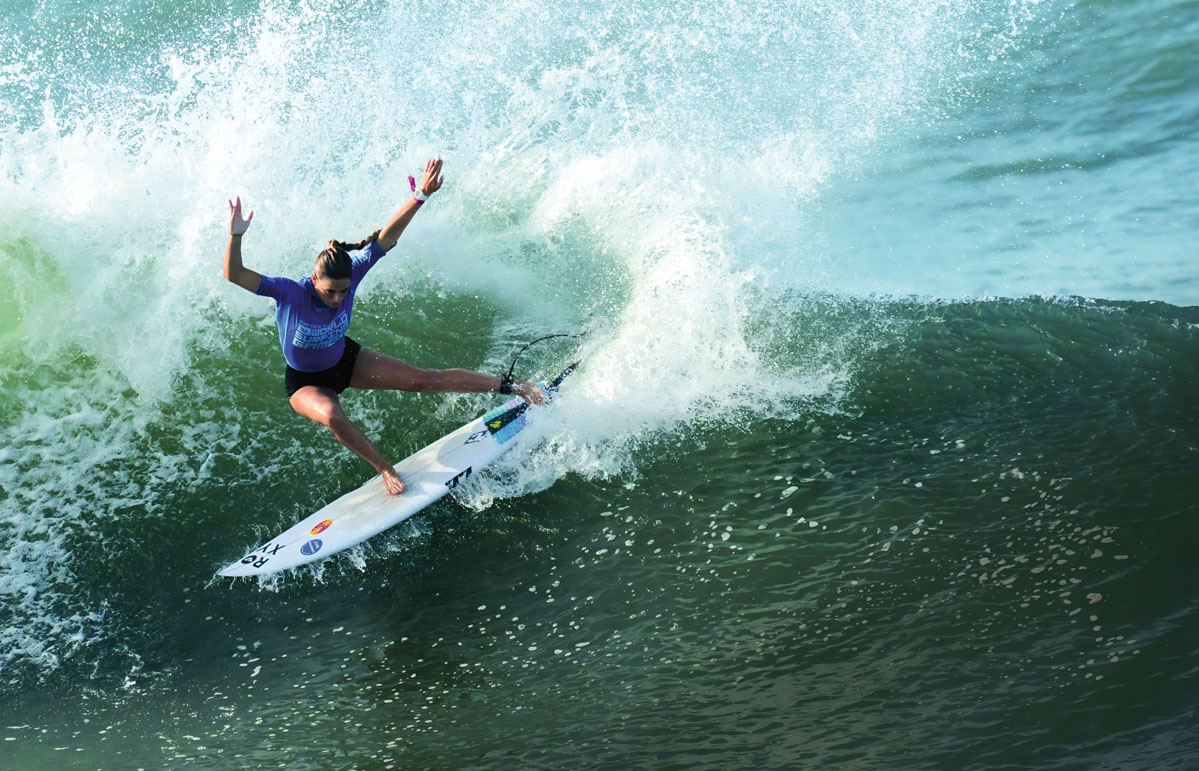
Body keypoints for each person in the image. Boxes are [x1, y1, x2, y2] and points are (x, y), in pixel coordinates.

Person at [223, 158, 546, 495]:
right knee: (333, 415)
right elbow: (235, 274)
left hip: (346, 360)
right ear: (314, 279)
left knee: (423, 380)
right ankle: (385, 469)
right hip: (306, 383)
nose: (336, 299)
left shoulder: (353, 273)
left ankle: (515, 388)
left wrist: (421, 195)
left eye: (343, 291)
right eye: (329, 291)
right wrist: (235, 236)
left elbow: (384, 240)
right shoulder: (290, 292)